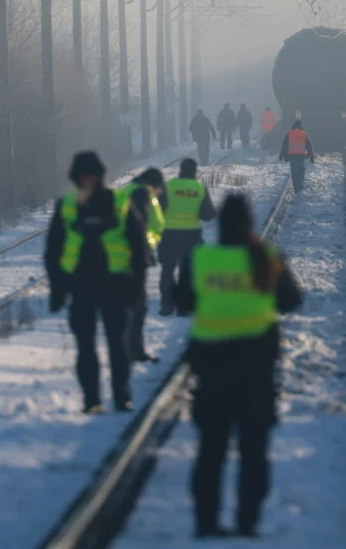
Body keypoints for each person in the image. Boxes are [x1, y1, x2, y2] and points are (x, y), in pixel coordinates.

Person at [176, 195, 303, 538]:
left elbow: (182, 302)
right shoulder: (266, 258)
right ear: (250, 222)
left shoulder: (200, 259)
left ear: (219, 224)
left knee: (210, 450)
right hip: (256, 370)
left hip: (211, 369)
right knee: (253, 450)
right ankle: (248, 521)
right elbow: (291, 301)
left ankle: (206, 522)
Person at [45, 151, 149, 414]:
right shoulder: (66, 206)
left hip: (115, 285)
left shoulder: (118, 203)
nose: (89, 181)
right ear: (76, 178)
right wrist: (57, 289)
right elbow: (53, 250)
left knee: (118, 346)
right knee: (86, 348)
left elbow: (138, 248)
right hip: (81, 287)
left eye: (92, 176)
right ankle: (92, 400)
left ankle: (121, 397)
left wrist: (137, 285)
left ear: (101, 176)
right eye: (84, 176)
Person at [119, 168, 167, 363]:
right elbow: (149, 225)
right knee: (138, 306)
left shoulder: (125, 191)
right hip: (136, 256)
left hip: (119, 256)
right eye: (159, 188)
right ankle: (135, 352)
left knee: (126, 305)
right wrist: (147, 244)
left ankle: (127, 350)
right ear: (153, 184)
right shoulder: (143, 195)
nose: (159, 192)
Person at [158, 158, 217, 315]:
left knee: (168, 269)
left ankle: (166, 305)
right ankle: (184, 307)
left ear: (180, 170)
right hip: (191, 235)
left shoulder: (168, 186)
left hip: (169, 233)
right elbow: (207, 214)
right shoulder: (199, 188)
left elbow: (158, 208)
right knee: (188, 271)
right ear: (194, 171)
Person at [278, 119, 316, 192]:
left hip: (292, 154)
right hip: (301, 155)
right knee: (301, 169)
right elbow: (308, 145)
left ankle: (295, 186)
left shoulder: (289, 133)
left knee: (293, 170)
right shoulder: (303, 133)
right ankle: (300, 184)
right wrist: (311, 155)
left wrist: (282, 154)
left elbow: (285, 144)